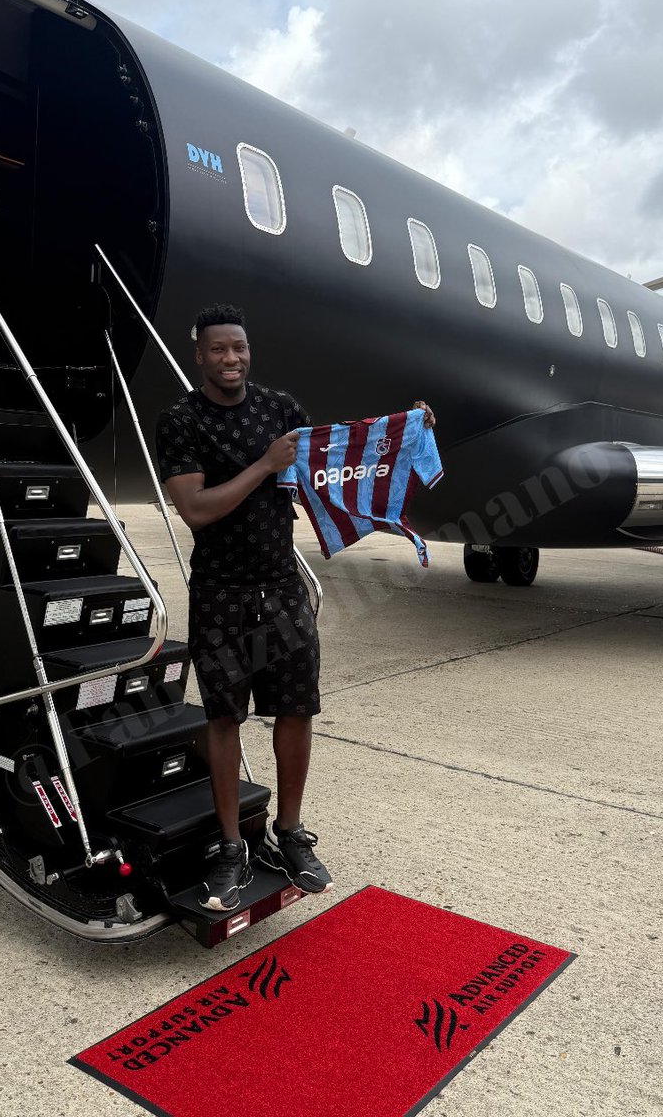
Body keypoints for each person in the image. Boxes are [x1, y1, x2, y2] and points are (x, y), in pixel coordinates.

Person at [155, 303, 435, 911]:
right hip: (221, 592)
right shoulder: (181, 421)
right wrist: (264, 465)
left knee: (295, 710)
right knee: (224, 717)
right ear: (199, 355)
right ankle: (232, 847)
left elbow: (335, 466)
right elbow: (198, 509)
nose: (232, 359)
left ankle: (288, 832)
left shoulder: (280, 409)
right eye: (219, 350)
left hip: (282, 586)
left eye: (240, 348)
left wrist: (404, 432)